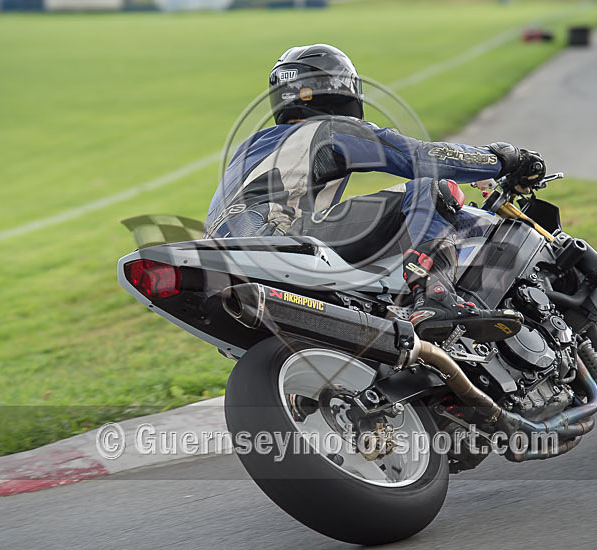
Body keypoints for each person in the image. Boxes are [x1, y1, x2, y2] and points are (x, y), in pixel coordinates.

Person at [205, 44, 546, 343]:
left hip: (223, 262)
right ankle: (434, 297)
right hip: (276, 239)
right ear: (340, 89)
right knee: (432, 190)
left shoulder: (249, 148)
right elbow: (422, 159)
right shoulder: (330, 129)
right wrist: (501, 159)